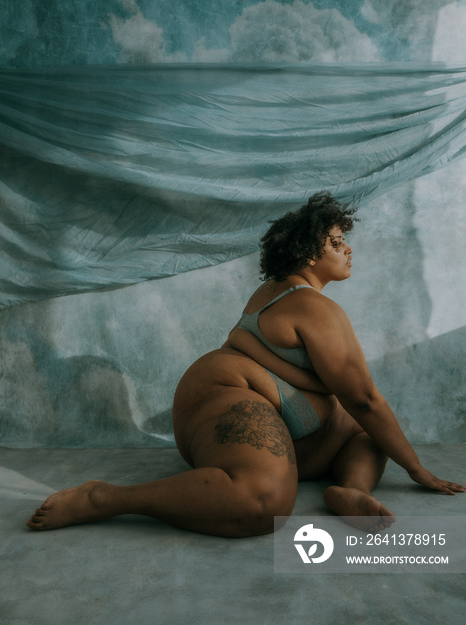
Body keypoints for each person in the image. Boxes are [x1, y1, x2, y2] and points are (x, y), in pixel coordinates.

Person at [26, 192, 464, 536]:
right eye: (336, 242)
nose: (347, 249)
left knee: (371, 436)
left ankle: (352, 490)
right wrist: (417, 469)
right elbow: (365, 397)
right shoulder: (312, 306)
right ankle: (105, 499)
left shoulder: (275, 292)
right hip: (227, 397)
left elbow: (274, 359)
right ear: (310, 253)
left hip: (261, 401)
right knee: (265, 503)